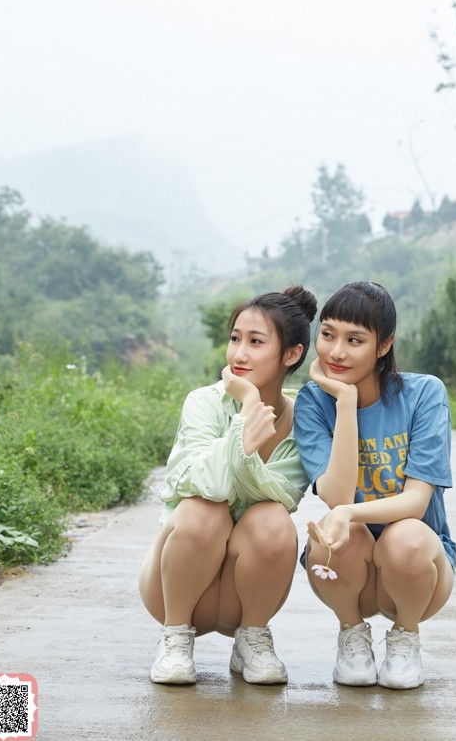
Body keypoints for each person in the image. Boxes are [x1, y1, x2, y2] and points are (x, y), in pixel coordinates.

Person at [139, 286, 317, 686]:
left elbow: (280, 495)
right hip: (175, 591)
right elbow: (204, 482)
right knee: (205, 506)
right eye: (235, 339)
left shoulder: (304, 420)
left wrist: (252, 416)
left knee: (272, 518)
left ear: (291, 354)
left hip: (245, 596)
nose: (239, 353)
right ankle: (175, 639)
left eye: (256, 342)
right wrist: (246, 416)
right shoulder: (204, 402)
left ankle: (253, 638)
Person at [293, 281, 456, 690]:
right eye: (327, 334)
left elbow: (416, 502)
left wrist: (348, 512)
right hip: (350, 574)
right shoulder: (314, 402)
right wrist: (345, 402)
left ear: (383, 346)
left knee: (407, 536)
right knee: (338, 535)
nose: (336, 351)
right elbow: (336, 496)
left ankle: (405, 637)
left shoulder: (424, 395)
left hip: (420, 573)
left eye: (355, 340)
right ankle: (352, 635)